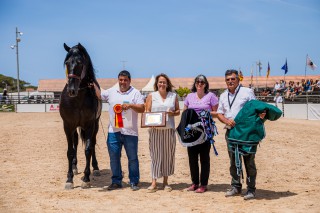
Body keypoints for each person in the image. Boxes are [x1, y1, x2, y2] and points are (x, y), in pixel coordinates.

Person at [217, 69, 265, 200]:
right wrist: (226, 120)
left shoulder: (247, 92)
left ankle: (251, 189)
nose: (230, 81)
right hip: (231, 132)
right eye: (228, 79)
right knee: (233, 160)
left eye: (233, 79)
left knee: (249, 161)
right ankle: (236, 186)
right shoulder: (223, 95)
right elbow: (219, 113)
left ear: (238, 80)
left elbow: (256, 108)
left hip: (246, 133)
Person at [94, 70, 145, 191]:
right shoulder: (111, 91)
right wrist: (93, 82)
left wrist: (131, 105)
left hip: (130, 132)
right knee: (114, 157)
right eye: (121, 80)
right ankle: (116, 181)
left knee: (132, 158)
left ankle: (134, 181)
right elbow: (99, 95)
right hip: (113, 131)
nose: (123, 82)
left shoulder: (136, 93)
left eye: (125, 80)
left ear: (129, 81)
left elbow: (142, 108)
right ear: (118, 80)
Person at [145, 73, 180, 193]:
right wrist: (150, 122)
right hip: (155, 130)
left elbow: (178, 111)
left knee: (168, 155)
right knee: (155, 155)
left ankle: (165, 182)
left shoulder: (173, 96)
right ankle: (154, 182)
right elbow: (147, 111)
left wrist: (172, 113)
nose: (162, 84)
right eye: (160, 82)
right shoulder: (151, 95)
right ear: (157, 83)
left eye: (164, 82)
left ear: (167, 84)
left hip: (169, 130)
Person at [183, 74, 219, 193]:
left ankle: (203, 184)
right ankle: (194, 183)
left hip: (205, 132)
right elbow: (185, 113)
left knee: (204, 159)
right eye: (197, 82)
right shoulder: (189, 96)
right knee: (192, 158)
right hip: (192, 131)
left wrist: (206, 113)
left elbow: (216, 113)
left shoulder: (211, 96)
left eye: (202, 82)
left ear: (205, 84)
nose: (199, 84)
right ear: (195, 83)